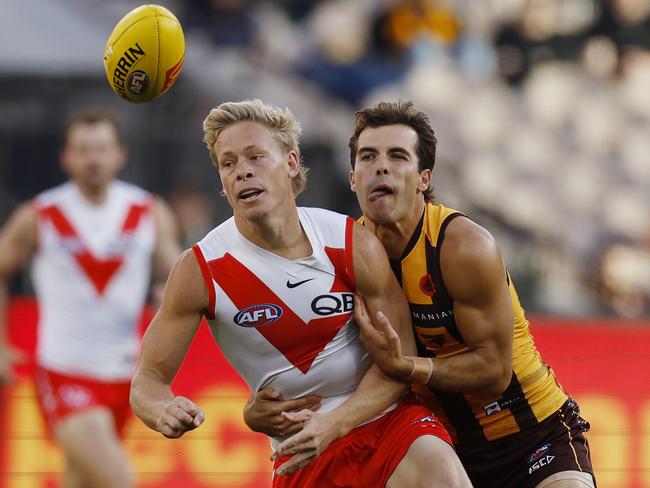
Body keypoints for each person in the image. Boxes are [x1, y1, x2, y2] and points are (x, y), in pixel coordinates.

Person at [245, 101, 596, 488]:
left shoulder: (462, 247)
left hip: (532, 437)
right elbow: (310, 357)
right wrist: (255, 409)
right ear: (352, 178)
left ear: (423, 179)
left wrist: (408, 367)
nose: (381, 166)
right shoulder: (340, 256)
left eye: (397, 156)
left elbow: (495, 373)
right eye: (368, 156)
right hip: (435, 445)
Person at [129, 99, 472, 487]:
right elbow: (147, 381)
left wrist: (334, 423)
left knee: (441, 471)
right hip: (302, 455)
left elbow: (400, 362)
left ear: (291, 163)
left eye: (255, 157)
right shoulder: (200, 269)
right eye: (228, 163)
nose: (242, 171)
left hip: (386, 424)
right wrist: (163, 410)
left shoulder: (348, 241)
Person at [0, 108, 180, 488]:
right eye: (83, 150)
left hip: (124, 375)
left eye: (101, 148)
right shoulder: (40, 214)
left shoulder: (148, 211)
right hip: (65, 371)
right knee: (118, 480)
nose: (93, 159)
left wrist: (170, 296)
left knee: (81, 481)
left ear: (120, 155)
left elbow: (178, 277)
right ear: (66, 158)